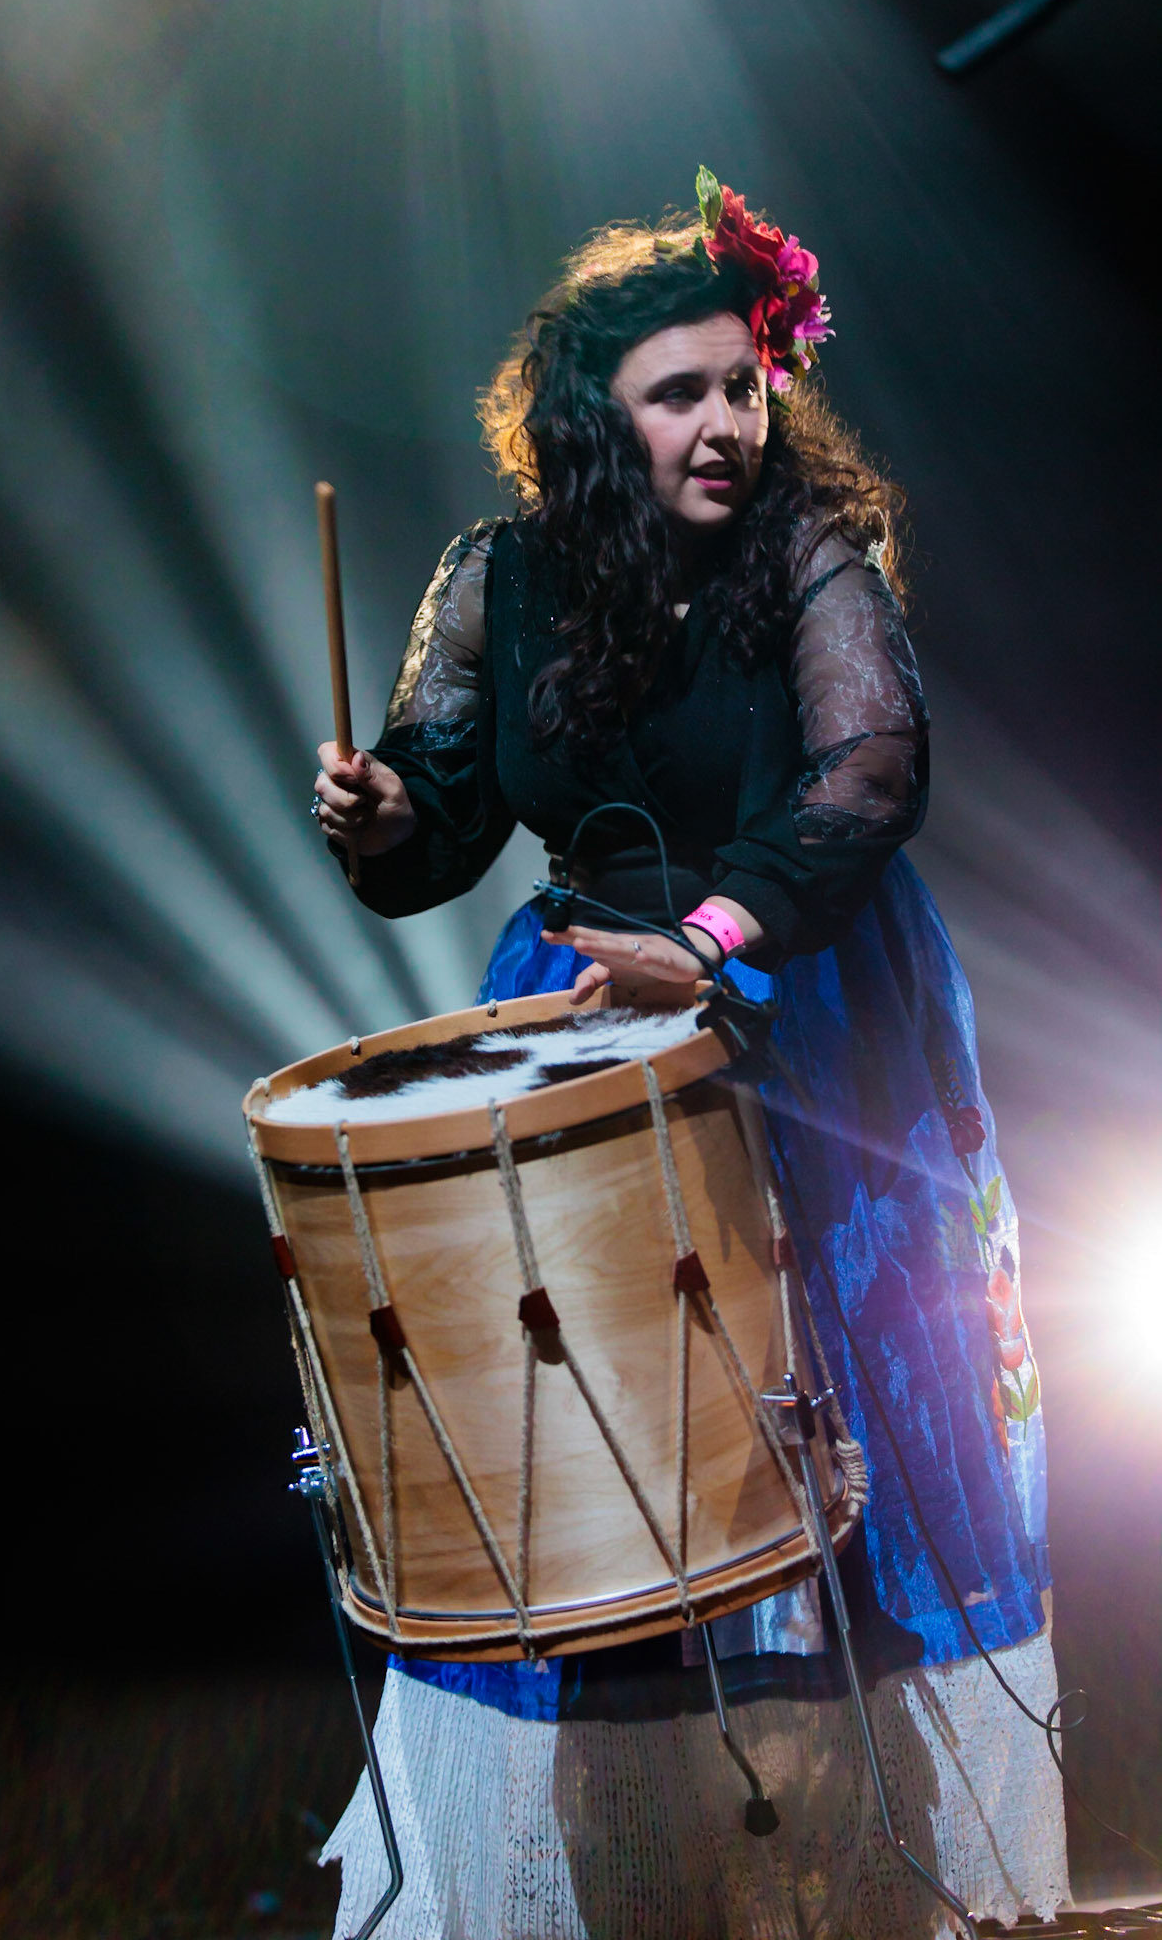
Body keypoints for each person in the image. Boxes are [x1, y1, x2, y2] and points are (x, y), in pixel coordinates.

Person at [309, 170, 1068, 1939]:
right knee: (614, 1464)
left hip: (798, 992)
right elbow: (435, 826)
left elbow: (866, 780)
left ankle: (877, 1878)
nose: (729, 420)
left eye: (746, 385)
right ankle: (637, 1860)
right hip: (590, 1013)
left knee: (841, 1446)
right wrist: (372, 816)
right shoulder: (498, 579)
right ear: (597, 421)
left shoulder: (815, 551)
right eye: (682, 393)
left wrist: (711, 946)